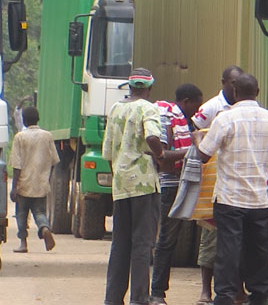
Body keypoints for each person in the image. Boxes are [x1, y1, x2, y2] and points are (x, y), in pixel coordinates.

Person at [196, 74, 268, 305]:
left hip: (229, 198)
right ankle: (260, 295)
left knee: (228, 250)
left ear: (235, 92)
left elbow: (204, 155)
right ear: (258, 91)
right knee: (258, 249)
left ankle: (224, 296)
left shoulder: (226, 119)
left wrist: (197, 140)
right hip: (258, 199)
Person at [102, 68, 165, 305]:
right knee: (142, 242)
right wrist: (160, 155)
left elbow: (108, 151)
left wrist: (118, 174)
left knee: (120, 243)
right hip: (144, 183)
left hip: (121, 183)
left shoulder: (115, 109)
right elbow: (152, 137)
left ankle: (113, 298)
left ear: (130, 87)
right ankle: (139, 298)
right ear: (148, 88)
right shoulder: (148, 108)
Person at [192, 65, 242, 304]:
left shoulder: (244, 107)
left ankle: (237, 289)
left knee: (235, 241)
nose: (235, 87)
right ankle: (205, 290)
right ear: (223, 82)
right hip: (214, 180)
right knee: (210, 238)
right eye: (232, 83)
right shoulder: (211, 108)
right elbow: (195, 136)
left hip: (237, 181)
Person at [149, 83, 204, 304]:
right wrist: (192, 151)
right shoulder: (167, 118)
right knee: (166, 240)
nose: (195, 113)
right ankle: (157, 292)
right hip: (169, 184)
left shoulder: (180, 120)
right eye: (194, 107)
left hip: (180, 182)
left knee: (169, 240)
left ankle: (157, 292)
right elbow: (161, 157)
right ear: (186, 102)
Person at [9, 106, 59, 253]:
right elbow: (54, 161)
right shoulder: (47, 136)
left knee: (21, 215)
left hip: (24, 183)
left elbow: (16, 164)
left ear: (23, 120)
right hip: (41, 183)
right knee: (40, 212)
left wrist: (14, 187)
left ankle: (23, 243)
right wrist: (46, 178)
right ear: (38, 119)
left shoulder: (20, 137)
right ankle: (44, 228)